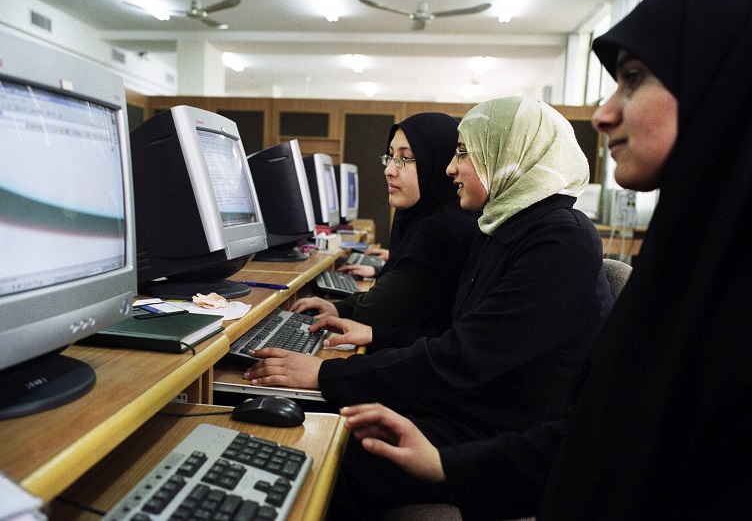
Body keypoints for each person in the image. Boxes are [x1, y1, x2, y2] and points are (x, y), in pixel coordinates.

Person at [342, 0, 752, 518]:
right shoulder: (688, 265)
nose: (602, 115)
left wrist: (336, 377)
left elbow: (470, 359)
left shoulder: (558, 238)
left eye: (632, 78)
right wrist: (445, 466)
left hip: (491, 424)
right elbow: (592, 439)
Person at [246, 96, 614, 517]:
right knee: (325, 424)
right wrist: (377, 337)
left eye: (463, 153)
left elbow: (462, 357)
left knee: (326, 453)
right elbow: (460, 336)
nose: (450, 168)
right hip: (471, 409)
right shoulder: (503, 227)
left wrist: (326, 374)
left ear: (508, 157)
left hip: (500, 441)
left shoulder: (558, 240)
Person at [291, 113, 479, 342]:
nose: (389, 170)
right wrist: (340, 308)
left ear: (437, 162)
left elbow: (380, 312)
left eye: (405, 158)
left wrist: (341, 309)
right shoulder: (431, 216)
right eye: (390, 157)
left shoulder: (443, 229)